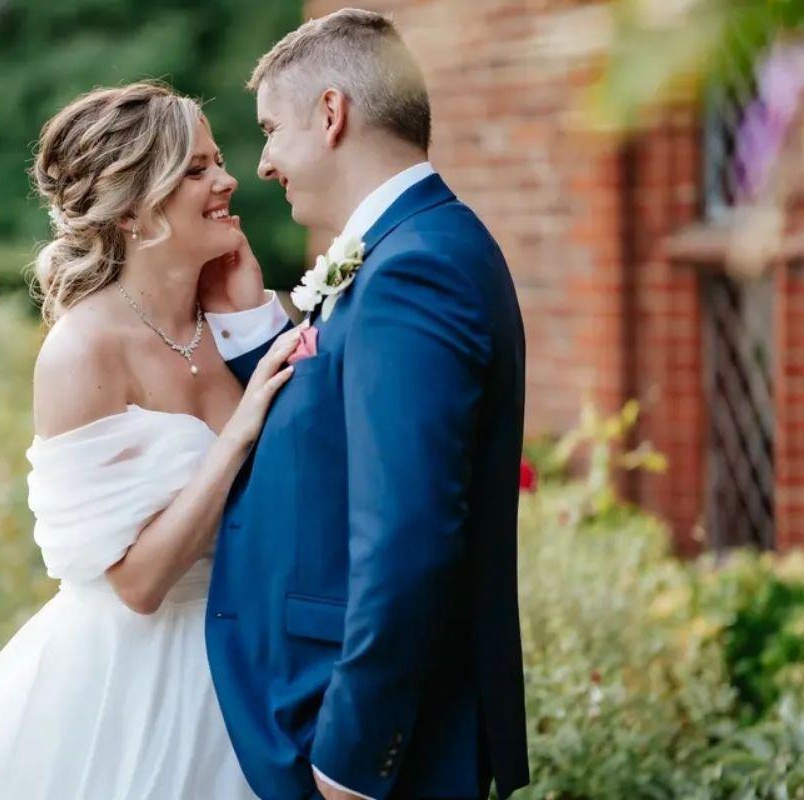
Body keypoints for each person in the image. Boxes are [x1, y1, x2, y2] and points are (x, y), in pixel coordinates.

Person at [0, 80, 295, 800]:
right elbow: (135, 584)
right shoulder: (84, 352)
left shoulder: (237, 317)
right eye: (196, 169)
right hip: (132, 683)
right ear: (134, 207)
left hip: (249, 658)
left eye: (218, 159)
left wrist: (254, 321)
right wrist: (236, 439)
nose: (229, 179)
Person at [203, 9, 531, 800]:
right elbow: (330, 436)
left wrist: (352, 755)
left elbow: (408, 532)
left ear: (329, 113)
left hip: (374, 749)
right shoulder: (401, 252)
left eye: (271, 130)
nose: (266, 162)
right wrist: (255, 331)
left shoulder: (416, 270)